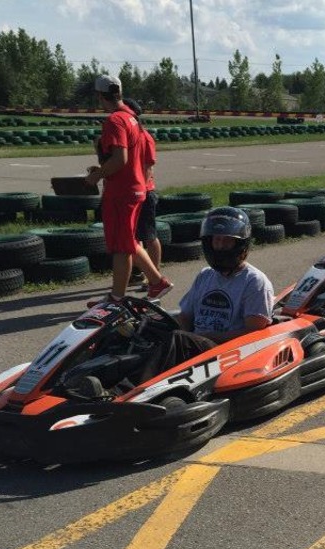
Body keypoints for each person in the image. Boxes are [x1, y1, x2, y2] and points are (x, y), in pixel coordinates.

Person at [85, 74, 172, 306]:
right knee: (128, 242)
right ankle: (156, 281)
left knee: (120, 247)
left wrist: (97, 176)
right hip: (136, 188)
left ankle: (117, 297)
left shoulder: (115, 121)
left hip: (121, 192)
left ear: (100, 96)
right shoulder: (133, 119)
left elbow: (120, 159)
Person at [154, 207, 274, 371]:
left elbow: (254, 333)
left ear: (240, 244)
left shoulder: (255, 281)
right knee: (150, 327)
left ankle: (135, 388)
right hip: (194, 344)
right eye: (217, 240)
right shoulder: (205, 275)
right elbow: (185, 316)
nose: (220, 246)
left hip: (227, 352)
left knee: (178, 339)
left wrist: (202, 336)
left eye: (227, 240)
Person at [122, 98, 161, 291]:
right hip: (132, 193)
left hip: (144, 192)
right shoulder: (131, 136)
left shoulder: (144, 137)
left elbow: (147, 167)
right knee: (132, 238)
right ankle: (136, 274)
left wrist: (141, 192)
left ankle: (154, 276)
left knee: (149, 236)